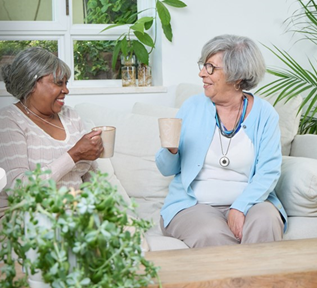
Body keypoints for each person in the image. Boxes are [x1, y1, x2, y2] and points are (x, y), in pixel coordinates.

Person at [156, 34, 287, 248]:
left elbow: (269, 172)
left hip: (252, 201)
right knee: (211, 234)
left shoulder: (265, 114)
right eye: (203, 65)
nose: (201, 73)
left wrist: (240, 207)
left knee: (265, 221)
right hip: (194, 205)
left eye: (210, 68)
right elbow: (166, 169)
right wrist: (170, 150)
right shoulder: (192, 107)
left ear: (236, 77)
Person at [0, 47, 104, 219]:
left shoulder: (70, 116)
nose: (66, 90)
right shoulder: (9, 121)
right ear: (32, 83)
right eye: (58, 83)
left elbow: (91, 176)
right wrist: (74, 155)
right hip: (28, 218)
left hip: (75, 215)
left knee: (129, 232)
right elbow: (19, 191)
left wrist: (102, 210)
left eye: (66, 83)